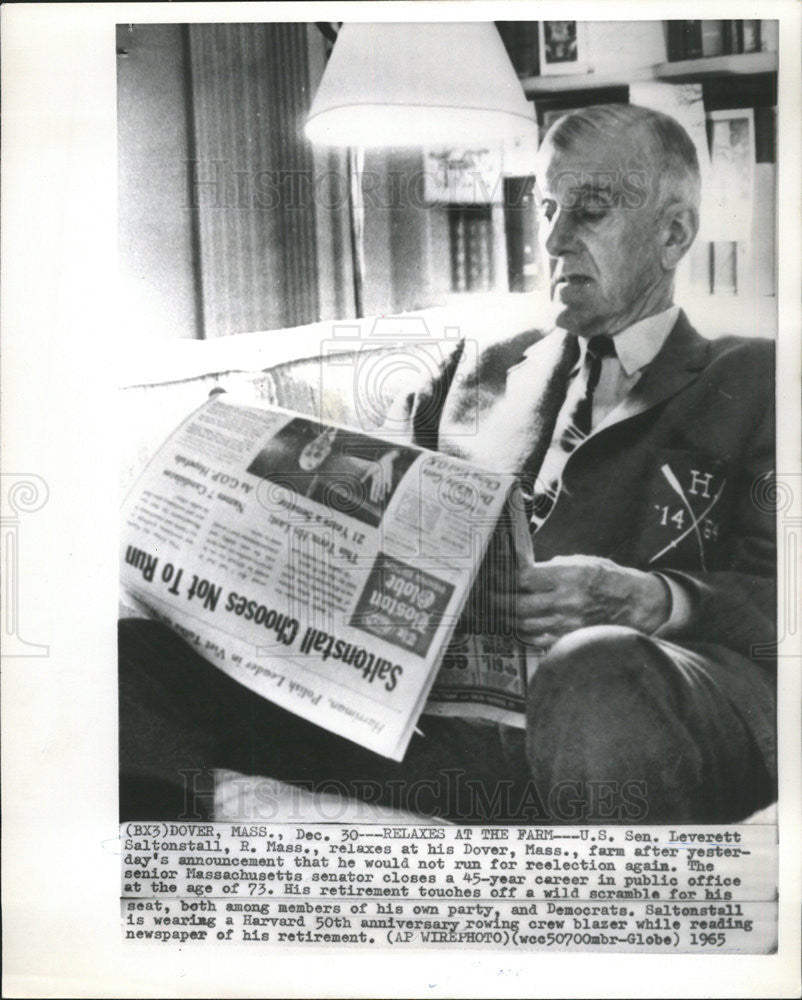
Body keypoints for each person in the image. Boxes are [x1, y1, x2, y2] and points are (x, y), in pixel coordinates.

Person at [119, 104, 775, 824]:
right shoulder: (476, 368)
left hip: (629, 709)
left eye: (589, 212)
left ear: (673, 233)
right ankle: (144, 895)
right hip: (439, 725)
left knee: (595, 671)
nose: (554, 239)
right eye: (548, 207)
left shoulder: (759, 381)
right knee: (127, 657)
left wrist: (653, 597)